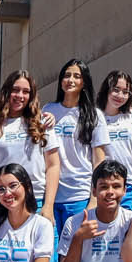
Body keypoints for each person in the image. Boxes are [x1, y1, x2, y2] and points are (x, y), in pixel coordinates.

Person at [0, 69, 60, 221]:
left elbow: (53, 165)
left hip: (36, 202)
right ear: (6, 91)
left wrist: (48, 206)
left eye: (26, 92)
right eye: (15, 90)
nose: (20, 95)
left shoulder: (42, 123)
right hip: (2, 202)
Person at [45, 59, 101, 241]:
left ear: (84, 82)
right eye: (67, 75)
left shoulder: (94, 115)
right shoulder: (48, 110)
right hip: (52, 196)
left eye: (77, 76)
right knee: (52, 253)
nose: (71, 80)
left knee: (75, 250)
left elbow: (99, 161)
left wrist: (94, 199)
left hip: (80, 195)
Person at [93, 70, 132, 211]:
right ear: (107, 89)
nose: (120, 95)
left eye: (125, 92)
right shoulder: (96, 117)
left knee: (130, 223)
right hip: (106, 184)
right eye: (116, 90)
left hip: (129, 185)